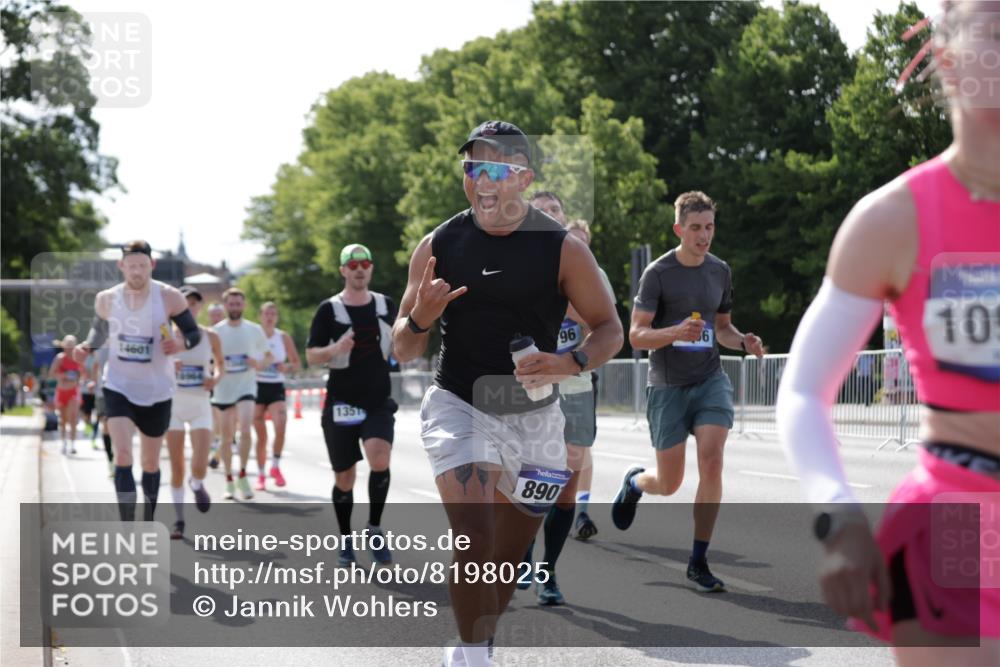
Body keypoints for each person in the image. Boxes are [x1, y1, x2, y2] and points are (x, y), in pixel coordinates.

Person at [777, 3, 999, 663]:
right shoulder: (893, 220)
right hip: (960, 521)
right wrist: (839, 515)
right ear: (951, 59)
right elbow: (804, 391)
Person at [392, 120, 622, 666]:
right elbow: (402, 347)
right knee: (474, 538)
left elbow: (610, 327)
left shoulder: (563, 249)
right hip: (460, 403)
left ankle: (476, 645)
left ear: (523, 177)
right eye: (473, 168)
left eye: (497, 168)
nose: (483, 180)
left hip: (536, 417)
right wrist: (421, 318)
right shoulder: (438, 245)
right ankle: (477, 658)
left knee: (505, 559)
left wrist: (570, 361)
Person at [613, 191, 765, 593]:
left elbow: (724, 328)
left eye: (709, 227)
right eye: (695, 228)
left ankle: (698, 561)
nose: (704, 235)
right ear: (679, 229)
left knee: (712, 462)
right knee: (669, 483)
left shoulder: (720, 271)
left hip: (709, 379)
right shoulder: (658, 274)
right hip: (668, 386)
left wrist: (743, 342)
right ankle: (634, 483)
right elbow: (636, 335)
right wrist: (675, 333)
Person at [73, 240, 201, 521]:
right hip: (118, 385)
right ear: (121, 266)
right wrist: (86, 347)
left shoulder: (169, 297)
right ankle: (128, 525)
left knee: (150, 461)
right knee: (122, 454)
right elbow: (98, 332)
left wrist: (180, 344)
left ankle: (148, 519)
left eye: (142, 266)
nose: (137, 272)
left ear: (151, 265)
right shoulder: (107, 299)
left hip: (158, 388)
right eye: (131, 266)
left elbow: (193, 333)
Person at [306, 244, 397, 567]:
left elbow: (402, 343)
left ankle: (374, 527)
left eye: (365, 263)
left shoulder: (386, 305)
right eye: (353, 264)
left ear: (371, 269)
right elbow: (312, 355)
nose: (359, 269)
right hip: (341, 403)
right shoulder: (329, 310)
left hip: (377, 401)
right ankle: (346, 538)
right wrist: (334, 348)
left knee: (379, 457)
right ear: (343, 270)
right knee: (345, 477)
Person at [166, 286, 223, 539]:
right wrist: (168, 365)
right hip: (173, 407)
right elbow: (151, 368)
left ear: (199, 308)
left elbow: (221, 365)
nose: (190, 308)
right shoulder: (165, 337)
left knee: (200, 463)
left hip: (200, 404)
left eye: (194, 304)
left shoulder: (210, 336)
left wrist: (215, 379)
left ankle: (197, 483)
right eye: (185, 304)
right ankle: (179, 521)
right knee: (177, 466)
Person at [211, 287, 272, 501]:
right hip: (223, 389)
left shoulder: (254, 330)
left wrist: (258, 363)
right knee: (227, 437)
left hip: (246, 387)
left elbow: (268, 357)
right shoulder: (216, 332)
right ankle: (229, 479)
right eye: (231, 304)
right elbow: (209, 361)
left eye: (238, 304)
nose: (235, 307)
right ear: (225, 306)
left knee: (246, 429)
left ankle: (243, 475)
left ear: (244, 306)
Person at [253, 301, 300, 491]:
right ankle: (261, 474)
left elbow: (296, 363)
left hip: (275, 387)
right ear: (260, 316)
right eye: (266, 313)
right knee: (261, 436)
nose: (270, 317)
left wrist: (286, 367)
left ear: (277, 317)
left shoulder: (283, 337)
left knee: (281, 426)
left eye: (273, 314)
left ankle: (275, 467)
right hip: (255, 387)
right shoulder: (253, 334)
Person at [52, 335, 85, 454]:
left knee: (72, 418)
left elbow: (83, 374)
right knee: (63, 420)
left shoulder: (78, 360)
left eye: (72, 347)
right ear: (64, 347)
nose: (69, 349)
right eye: (67, 346)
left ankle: (72, 444)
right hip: (61, 391)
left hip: (73, 392)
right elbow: (52, 373)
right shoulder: (59, 358)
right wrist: (63, 376)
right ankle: (63, 443)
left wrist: (79, 379)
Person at [207, 301, 226, 469]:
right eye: (213, 315)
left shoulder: (228, 333)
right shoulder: (205, 335)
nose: (216, 318)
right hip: (211, 383)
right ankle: (214, 451)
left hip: (228, 383)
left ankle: (217, 453)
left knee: (225, 423)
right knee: (214, 421)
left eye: (219, 314)